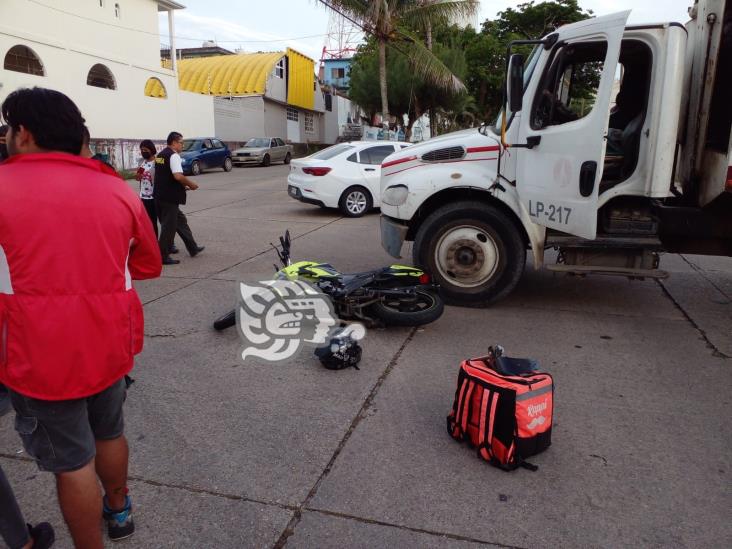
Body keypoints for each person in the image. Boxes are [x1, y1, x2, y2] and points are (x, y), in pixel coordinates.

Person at [0, 87, 162, 548]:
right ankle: (119, 509)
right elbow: (147, 264)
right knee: (109, 433)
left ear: (23, 132)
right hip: (108, 344)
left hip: (38, 357)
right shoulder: (116, 189)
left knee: (73, 462)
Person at [154, 131, 204, 265]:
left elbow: (163, 176)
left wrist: (181, 187)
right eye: (181, 143)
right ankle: (163, 256)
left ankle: (192, 247)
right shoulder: (173, 155)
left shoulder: (160, 155)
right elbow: (178, 176)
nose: (182, 145)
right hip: (169, 198)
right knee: (168, 228)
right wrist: (191, 184)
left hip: (160, 196)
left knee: (180, 221)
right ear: (174, 143)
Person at [136, 139, 159, 237]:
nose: (143, 152)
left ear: (151, 149)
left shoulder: (158, 161)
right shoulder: (142, 163)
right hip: (144, 197)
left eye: (145, 150)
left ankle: (169, 243)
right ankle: (153, 242)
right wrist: (138, 175)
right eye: (141, 150)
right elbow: (138, 177)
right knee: (149, 222)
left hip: (155, 196)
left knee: (161, 221)